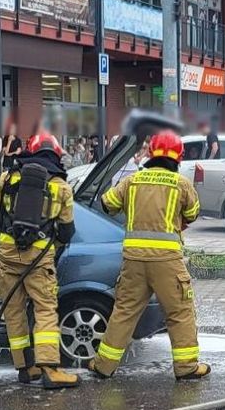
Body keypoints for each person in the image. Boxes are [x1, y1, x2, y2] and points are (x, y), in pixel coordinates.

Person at [89, 130, 210, 380]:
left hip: (133, 261)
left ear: (150, 153)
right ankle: (186, 367)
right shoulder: (181, 184)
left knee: (124, 312)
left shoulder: (133, 180)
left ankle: (103, 366)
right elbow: (193, 213)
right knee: (179, 312)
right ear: (178, 157)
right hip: (167, 262)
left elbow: (107, 203)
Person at [0, 133, 79, 389]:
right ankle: (50, 369)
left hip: (6, 254)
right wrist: (50, 245)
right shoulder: (61, 186)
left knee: (14, 312)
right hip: (38, 257)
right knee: (45, 309)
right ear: (56, 154)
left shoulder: (7, 177)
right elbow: (67, 231)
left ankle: (26, 369)